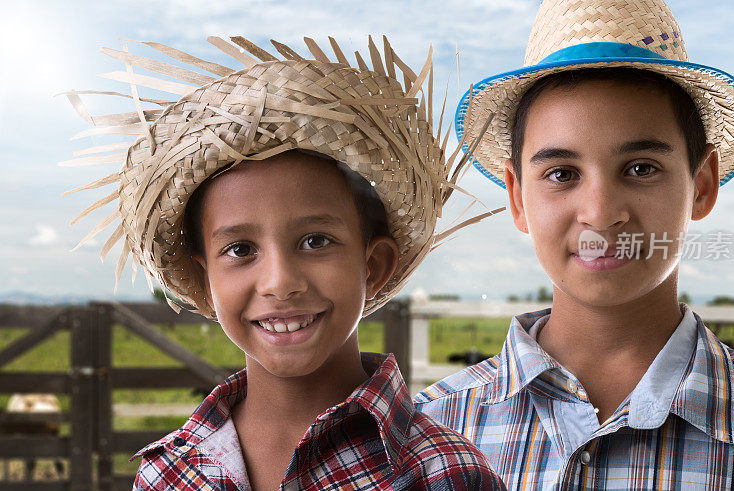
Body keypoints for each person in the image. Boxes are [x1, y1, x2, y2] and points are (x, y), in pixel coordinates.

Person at [62, 35, 505, 490]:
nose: (279, 282)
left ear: (373, 265)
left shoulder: (442, 474)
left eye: (315, 241)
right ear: (203, 279)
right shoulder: (169, 476)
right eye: (240, 250)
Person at [414, 0, 734, 489]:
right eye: (561, 174)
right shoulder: (426, 435)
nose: (599, 213)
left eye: (641, 168)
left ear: (701, 185)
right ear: (517, 198)